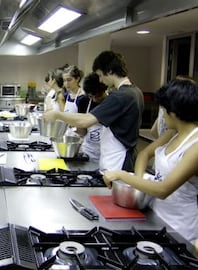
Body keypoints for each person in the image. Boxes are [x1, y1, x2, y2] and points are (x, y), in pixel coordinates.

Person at [103, 78, 198, 243]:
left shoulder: (195, 145)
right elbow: (144, 154)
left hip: (179, 228)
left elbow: (163, 190)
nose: (161, 114)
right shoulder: (173, 133)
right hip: (155, 217)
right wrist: (138, 183)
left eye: (163, 109)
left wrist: (123, 175)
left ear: (173, 112)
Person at [43, 51, 144, 171]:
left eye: (101, 75)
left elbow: (86, 121)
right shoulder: (136, 91)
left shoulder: (120, 96)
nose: (101, 81)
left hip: (117, 161)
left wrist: (57, 114)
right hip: (119, 158)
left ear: (110, 71)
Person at [79, 72, 108, 163]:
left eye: (98, 95)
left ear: (104, 90)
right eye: (91, 96)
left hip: (105, 154)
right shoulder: (84, 102)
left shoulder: (111, 103)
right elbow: (82, 131)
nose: (95, 99)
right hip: (88, 151)